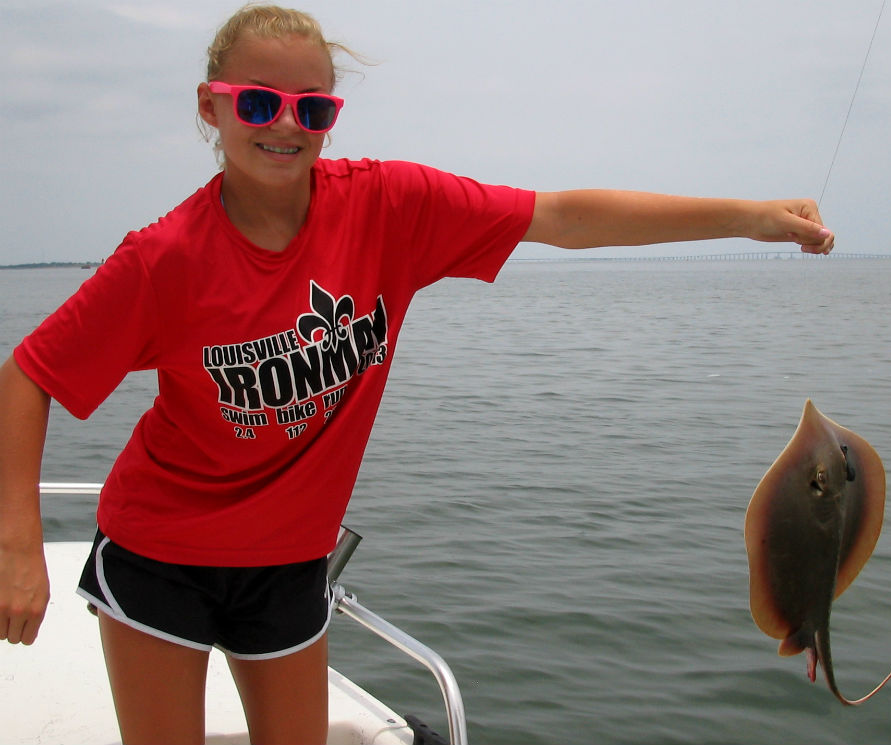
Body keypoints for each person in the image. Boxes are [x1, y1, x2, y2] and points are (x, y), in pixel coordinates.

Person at [0, 4, 835, 744]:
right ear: (211, 106)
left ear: (332, 115)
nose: (283, 125)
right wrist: (18, 545)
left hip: (288, 562)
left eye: (311, 107)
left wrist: (750, 217)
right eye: (257, 102)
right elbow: (29, 373)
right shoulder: (164, 261)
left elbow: (562, 215)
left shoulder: (389, 209)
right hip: (160, 555)